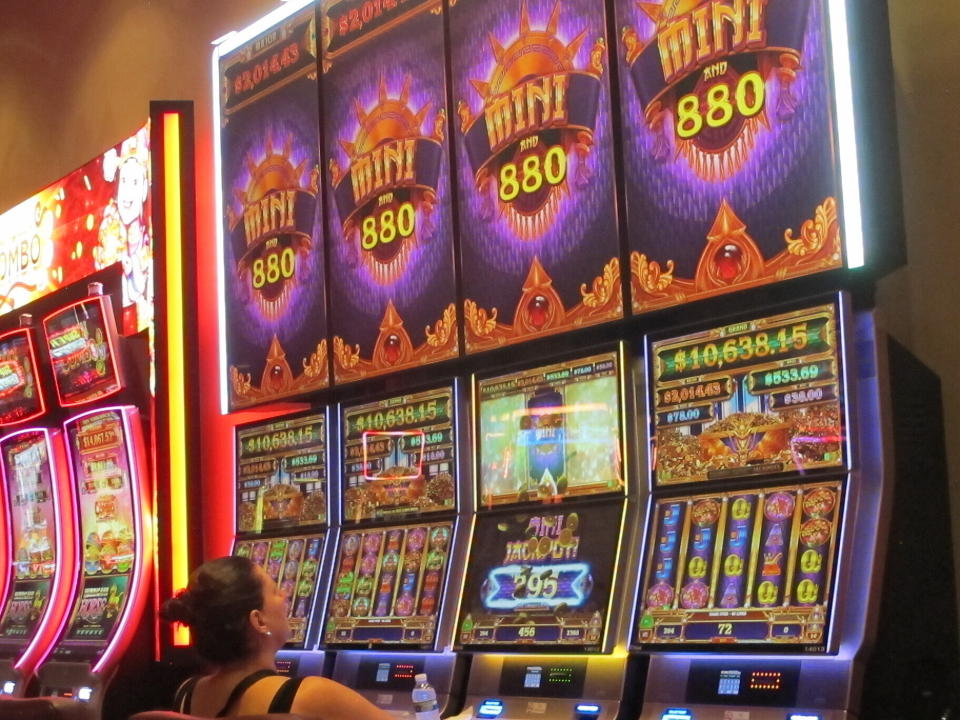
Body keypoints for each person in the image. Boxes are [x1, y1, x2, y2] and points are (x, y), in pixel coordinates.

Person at [160, 556, 394, 719]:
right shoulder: (311, 695)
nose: (284, 596)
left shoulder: (186, 694)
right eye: (274, 591)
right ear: (258, 621)